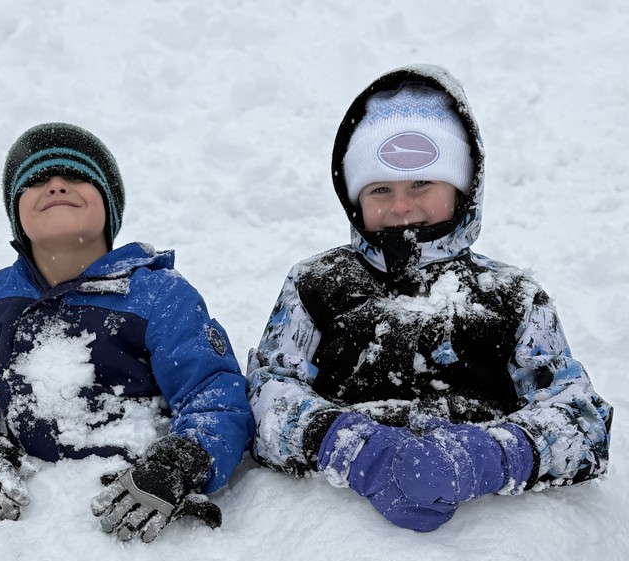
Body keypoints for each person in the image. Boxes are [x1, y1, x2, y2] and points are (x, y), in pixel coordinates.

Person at [246, 65, 612, 532]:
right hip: (339, 522)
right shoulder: (317, 285)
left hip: (489, 531)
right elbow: (265, 394)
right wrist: (358, 450)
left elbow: (580, 419)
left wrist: (486, 457)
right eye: (380, 189)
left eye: (421, 184)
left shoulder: (513, 298)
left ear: (462, 188)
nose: (401, 206)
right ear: (354, 199)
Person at [0, 122, 254, 541]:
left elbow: (214, 392)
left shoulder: (157, 295)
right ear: (16, 214)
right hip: (22, 529)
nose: (56, 184)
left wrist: (181, 461)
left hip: (133, 521)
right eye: (38, 179)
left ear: (109, 207)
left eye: (76, 175)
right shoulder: (1, 297)